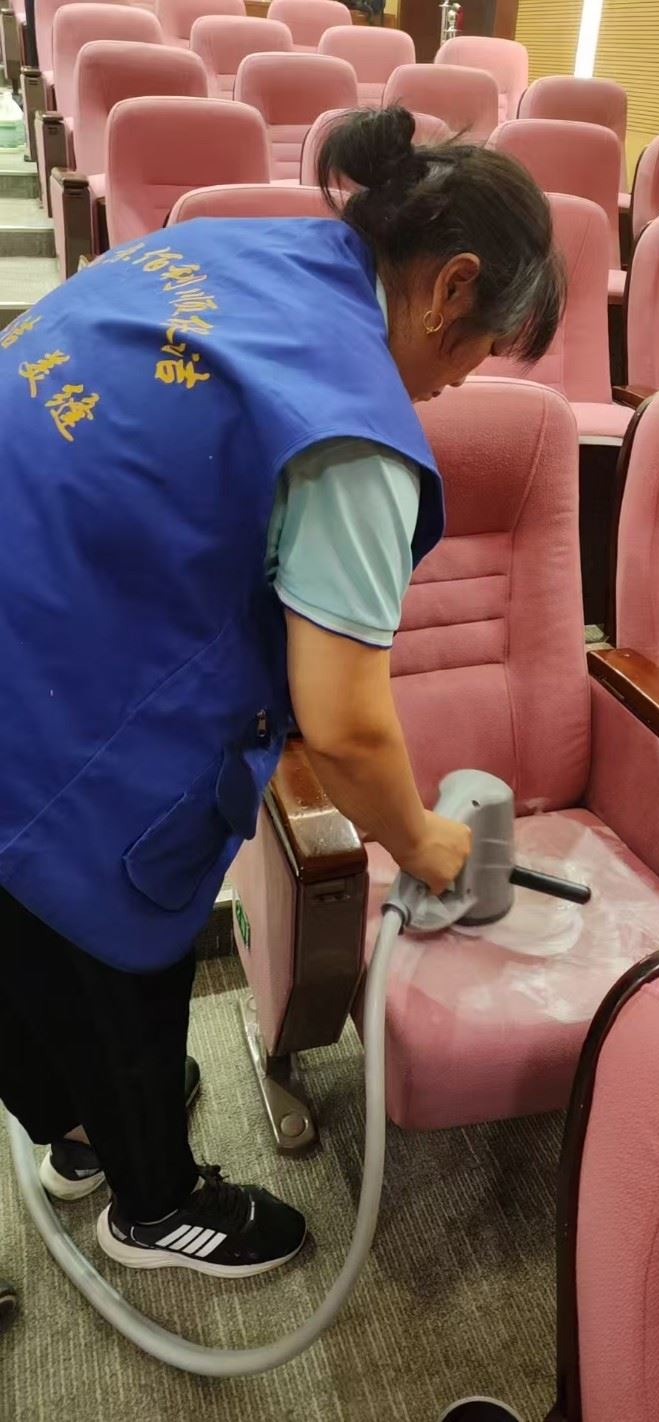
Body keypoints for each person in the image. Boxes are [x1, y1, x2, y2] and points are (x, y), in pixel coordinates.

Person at [0, 108, 563, 1280]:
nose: (460, 381)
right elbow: (346, 727)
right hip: (65, 698)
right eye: (479, 348)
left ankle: (79, 1127)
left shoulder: (227, 247)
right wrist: (424, 844)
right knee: (119, 927)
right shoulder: (350, 427)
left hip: (36, 595)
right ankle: (153, 1206)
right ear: (450, 286)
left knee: (23, 928)